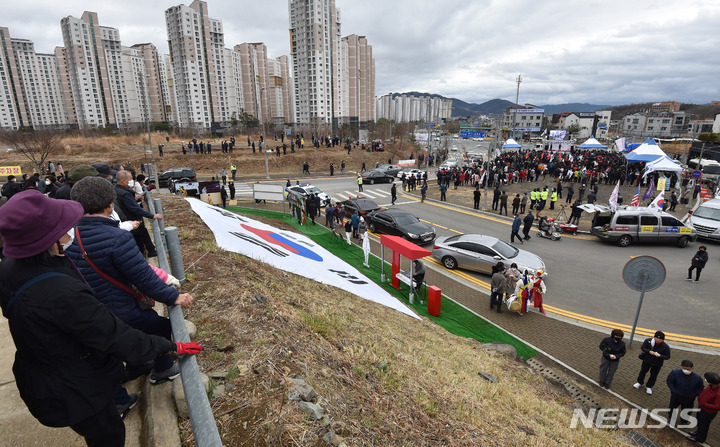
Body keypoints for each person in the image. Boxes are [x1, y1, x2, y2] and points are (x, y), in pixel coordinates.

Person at [0, 190, 202, 447]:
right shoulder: (63, 293)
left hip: (42, 373)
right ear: (49, 239)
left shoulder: (9, 268)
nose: (71, 230)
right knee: (108, 435)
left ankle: (121, 396)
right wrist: (172, 346)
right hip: (76, 386)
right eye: (64, 227)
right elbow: (114, 336)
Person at [66, 177, 195, 385]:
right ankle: (162, 369)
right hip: (120, 307)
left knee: (126, 336)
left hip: (92, 310)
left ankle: (138, 366)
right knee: (160, 327)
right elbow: (143, 276)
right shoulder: (117, 238)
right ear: (110, 205)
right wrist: (173, 296)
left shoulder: (69, 237)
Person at [114, 170, 162, 258]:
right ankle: (149, 252)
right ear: (123, 181)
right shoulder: (125, 193)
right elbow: (135, 208)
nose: (133, 181)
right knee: (141, 237)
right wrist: (152, 215)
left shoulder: (116, 189)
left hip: (125, 220)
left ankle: (148, 252)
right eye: (131, 179)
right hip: (132, 220)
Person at [666, 360, 703, 428]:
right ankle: (672, 419)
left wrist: (694, 395)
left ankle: (684, 421)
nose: (686, 370)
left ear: (692, 368)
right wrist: (674, 391)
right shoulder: (675, 373)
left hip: (689, 398)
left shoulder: (697, 377)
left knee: (687, 410)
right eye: (684, 368)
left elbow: (700, 387)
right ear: (681, 367)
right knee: (673, 408)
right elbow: (669, 381)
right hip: (676, 396)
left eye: (688, 369)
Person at [634, 331, 671, 395]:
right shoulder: (648, 341)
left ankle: (649, 386)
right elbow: (643, 348)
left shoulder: (665, 347)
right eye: (657, 338)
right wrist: (649, 351)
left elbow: (667, 356)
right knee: (643, 371)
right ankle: (639, 382)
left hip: (657, 363)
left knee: (653, 375)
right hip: (647, 360)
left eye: (660, 339)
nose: (658, 340)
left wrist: (660, 356)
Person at [687, 372, 720, 443]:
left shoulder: (718, 393)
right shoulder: (711, 386)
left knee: (704, 425)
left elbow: (717, 406)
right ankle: (698, 432)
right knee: (699, 421)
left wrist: (705, 404)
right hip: (702, 408)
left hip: (708, 412)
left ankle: (700, 438)